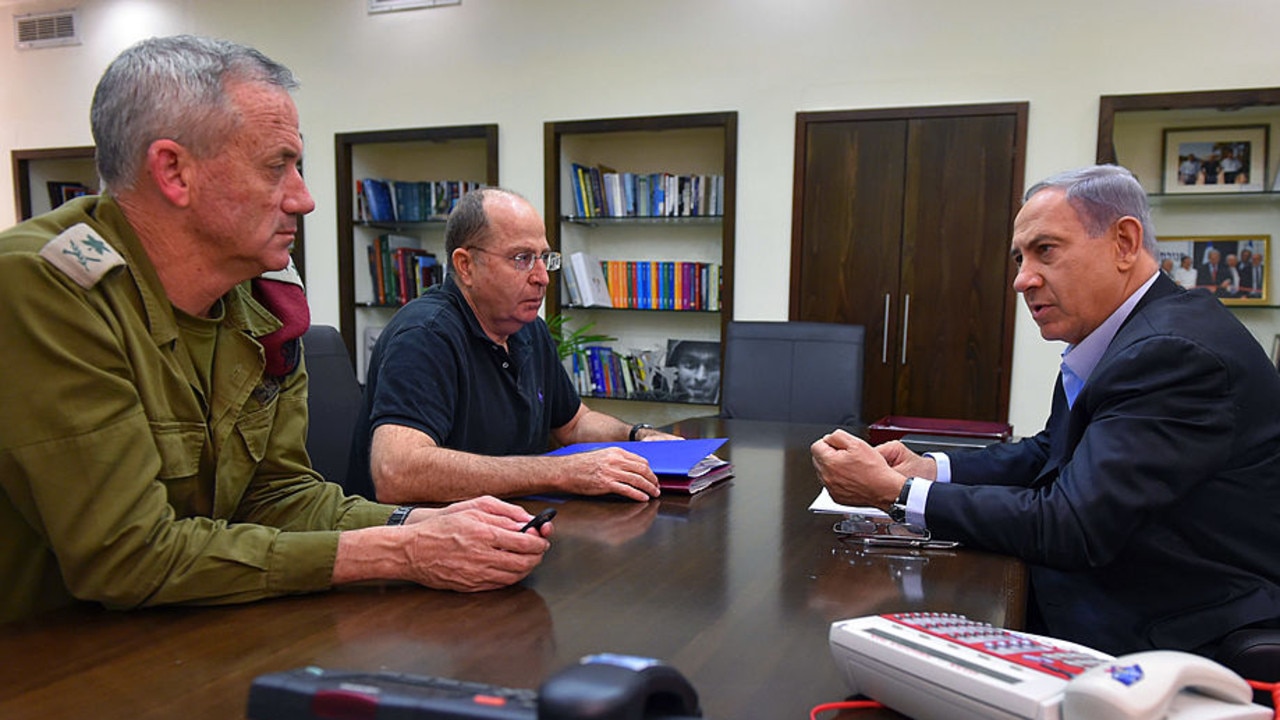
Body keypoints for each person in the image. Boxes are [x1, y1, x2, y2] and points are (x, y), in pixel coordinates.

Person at [0, 36, 551, 624]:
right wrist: (401, 550)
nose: (305, 199)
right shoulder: (46, 286)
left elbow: (277, 496)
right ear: (173, 171)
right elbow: (128, 554)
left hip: (194, 634)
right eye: (276, 167)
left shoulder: (259, 297)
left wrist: (424, 522)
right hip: (56, 667)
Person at [811, 164, 1280, 656]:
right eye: (1019, 258)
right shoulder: (1126, 332)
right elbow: (1050, 452)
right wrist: (930, 469)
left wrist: (899, 494)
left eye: (1045, 251)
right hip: (1130, 586)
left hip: (1170, 628)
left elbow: (1071, 526)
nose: (1022, 280)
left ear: (1124, 242)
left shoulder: (1172, 353)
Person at [348, 187, 680, 505]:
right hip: (416, 545)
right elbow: (397, 472)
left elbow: (574, 423)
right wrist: (560, 472)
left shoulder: (528, 330)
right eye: (522, 258)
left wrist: (637, 436)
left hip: (507, 525)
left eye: (544, 258)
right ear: (466, 266)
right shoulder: (425, 335)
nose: (543, 277)